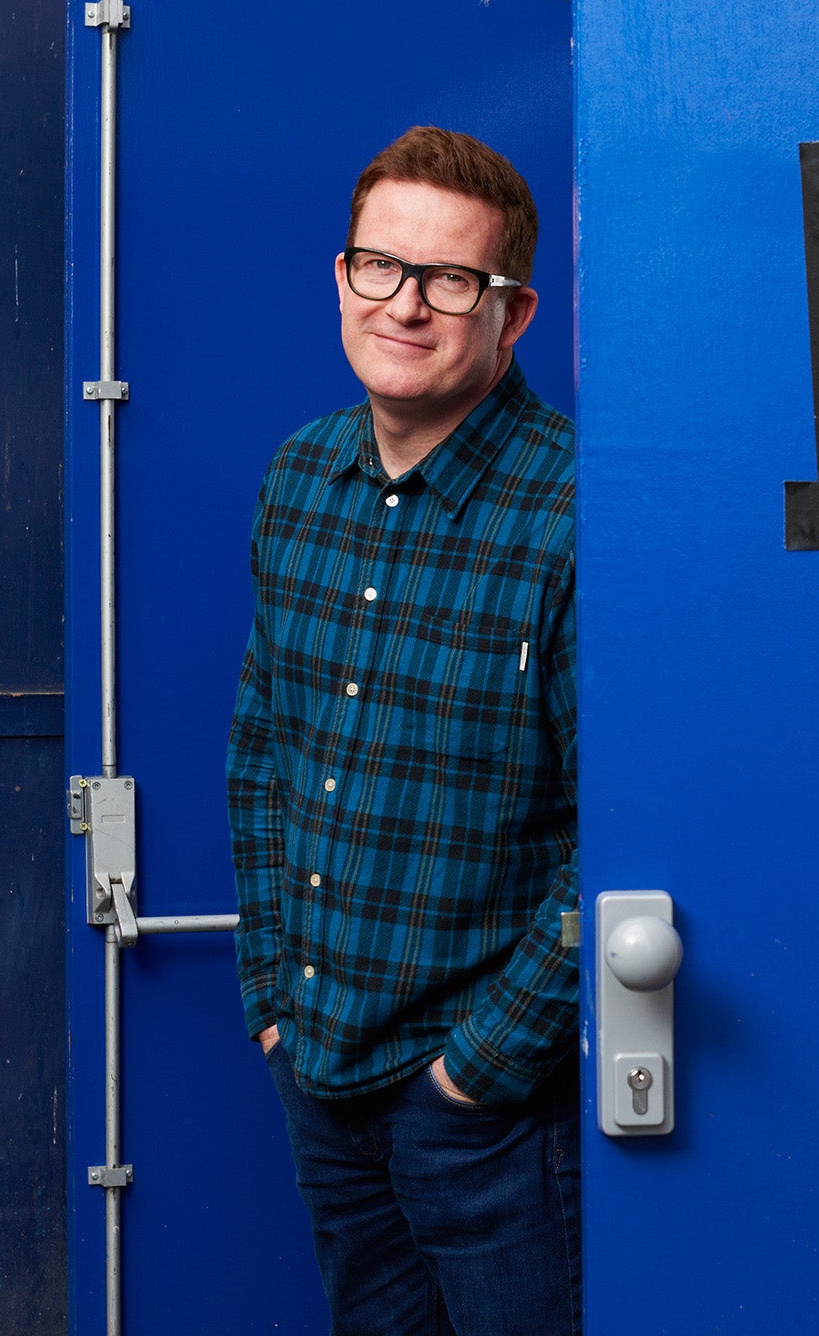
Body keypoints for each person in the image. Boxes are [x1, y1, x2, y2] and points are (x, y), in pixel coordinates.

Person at [228, 126, 579, 1336]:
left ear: (512, 311)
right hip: (317, 1073)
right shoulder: (298, 479)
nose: (406, 306)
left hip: (488, 1116)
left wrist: (477, 1071)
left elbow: (628, 836)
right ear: (342, 276)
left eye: (450, 281)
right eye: (380, 267)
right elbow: (261, 747)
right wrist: (273, 990)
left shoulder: (578, 516)